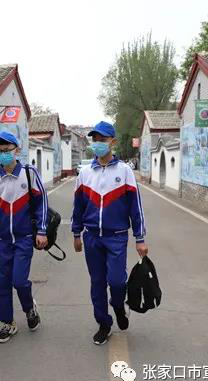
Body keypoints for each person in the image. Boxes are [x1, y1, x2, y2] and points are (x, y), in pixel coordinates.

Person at [71, 121, 148, 346]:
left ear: (112, 142)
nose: (97, 143)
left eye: (102, 139)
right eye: (94, 139)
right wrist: (76, 233)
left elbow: (135, 207)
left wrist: (140, 238)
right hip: (92, 236)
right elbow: (78, 207)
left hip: (117, 236)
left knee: (116, 281)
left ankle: (118, 306)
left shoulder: (124, 171)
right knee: (97, 283)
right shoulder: (85, 173)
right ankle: (104, 324)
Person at [0, 131, 48, 343]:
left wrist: (42, 230)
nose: (3, 154)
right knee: (3, 283)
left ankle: (29, 309)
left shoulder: (29, 174)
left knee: (19, 281)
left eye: (6, 150)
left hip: (24, 238)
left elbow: (42, 203)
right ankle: (8, 323)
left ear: (17, 150)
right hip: (2, 241)